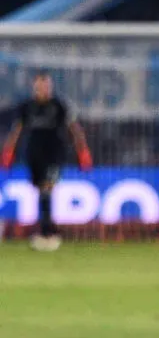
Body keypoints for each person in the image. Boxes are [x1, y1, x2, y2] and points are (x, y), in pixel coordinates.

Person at [1, 71, 92, 251]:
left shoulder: (59, 105)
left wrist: (83, 151)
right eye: (39, 85)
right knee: (41, 191)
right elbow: (16, 131)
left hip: (54, 153)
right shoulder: (27, 107)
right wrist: (9, 152)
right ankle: (47, 230)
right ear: (35, 87)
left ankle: (47, 234)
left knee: (47, 189)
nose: (43, 89)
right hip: (34, 153)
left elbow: (74, 129)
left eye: (46, 85)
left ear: (50, 86)